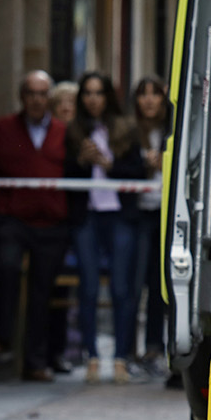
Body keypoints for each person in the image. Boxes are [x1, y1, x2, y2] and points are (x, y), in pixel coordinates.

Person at [0, 70, 72, 382]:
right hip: (14, 218)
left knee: (42, 291)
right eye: (31, 93)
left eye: (42, 94)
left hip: (51, 222)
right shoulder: (1, 129)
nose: (37, 100)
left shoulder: (64, 133)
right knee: (7, 267)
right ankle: (3, 335)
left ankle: (35, 361)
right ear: (22, 97)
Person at [65, 72, 147, 384]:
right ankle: (93, 358)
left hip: (119, 215)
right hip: (87, 215)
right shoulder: (73, 130)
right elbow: (65, 174)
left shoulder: (126, 128)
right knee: (87, 286)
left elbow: (137, 171)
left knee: (121, 288)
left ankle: (121, 358)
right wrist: (83, 160)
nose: (93, 99)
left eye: (99, 92)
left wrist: (108, 164)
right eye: (87, 93)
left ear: (108, 96)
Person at [128, 75, 171, 384]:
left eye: (155, 94)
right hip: (137, 215)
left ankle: (155, 349)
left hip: (164, 214)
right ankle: (129, 352)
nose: (149, 100)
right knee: (132, 285)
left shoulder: (172, 132)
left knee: (159, 285)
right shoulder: (129, 133)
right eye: (143, 94)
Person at [46, 80, 80, 374]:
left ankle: (69, 348)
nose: (67, 109)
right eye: (60, 104)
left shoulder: (83, 136)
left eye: (72, 103)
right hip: (54, 219)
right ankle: (55, 349)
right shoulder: (50, 137)